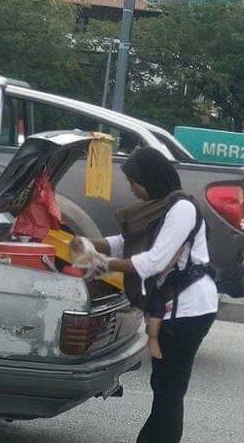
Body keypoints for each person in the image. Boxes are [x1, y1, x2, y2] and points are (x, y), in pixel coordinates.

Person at [75, 147, 218, 443]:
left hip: (188, 309)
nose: (132, 189)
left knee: (169, 390)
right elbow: (124, 242)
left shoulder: (181, 209)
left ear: (149, 179)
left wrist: (98, 264)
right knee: (165, 388)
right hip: (172, 307)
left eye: (134, 182)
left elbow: (154, 261)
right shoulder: (161, 207)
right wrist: (83, 243)